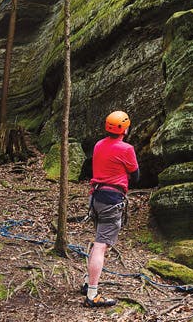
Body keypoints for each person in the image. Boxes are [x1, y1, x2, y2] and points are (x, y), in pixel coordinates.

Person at [83, 110, 139, 308]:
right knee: (100, 245)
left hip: (96, 197)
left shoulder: (99, 144)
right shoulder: (127, 149)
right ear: (125, 128)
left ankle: (89, 282)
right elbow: (136, 175)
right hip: (111, 199)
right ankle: (92, 294)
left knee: (98, 241)